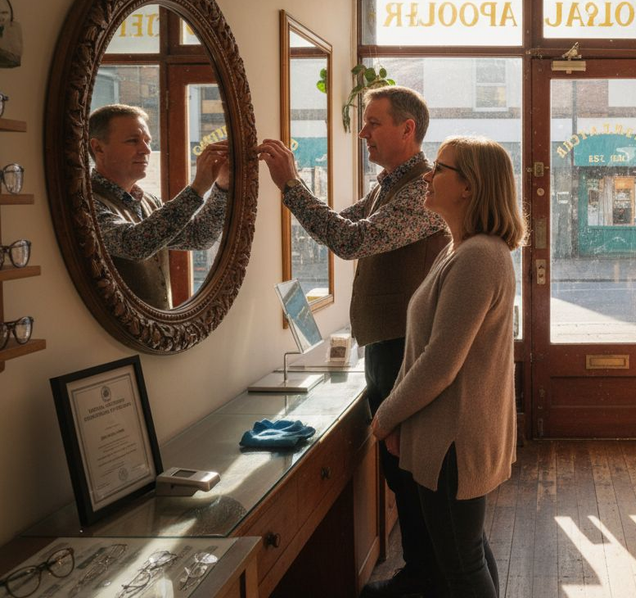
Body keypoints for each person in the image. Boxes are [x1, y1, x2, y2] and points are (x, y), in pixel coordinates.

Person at [256, 86, 449, 598]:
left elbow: (350, 240)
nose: (362, 132)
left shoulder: (421, 190)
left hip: (405, 348)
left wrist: (291, 185)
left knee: (408, 469)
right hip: (386, 344)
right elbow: (344, 223)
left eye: (373, 123)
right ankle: (425, 573)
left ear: (407, 129)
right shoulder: (391, 184)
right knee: (398, 467)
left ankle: (427, 578)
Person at [370, 136, 525, 598]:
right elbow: (419, 348)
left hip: (456, 438)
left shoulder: (479, 256)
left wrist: (386, 416)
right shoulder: (457, 249)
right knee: (466, 551)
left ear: (469, 187)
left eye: (440, 166)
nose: (427, 175)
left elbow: (439, 363)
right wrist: (399, 417)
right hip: (446, 433)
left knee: (460, 564)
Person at [89, 104, 230, 310]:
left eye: (147, 141)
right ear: (98, 147)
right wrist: (197, 187)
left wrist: (222, 186)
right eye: (133, 141)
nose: (146, 150)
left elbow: (200, 236)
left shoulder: (148, 201)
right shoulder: (88, 204)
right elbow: (135, 245)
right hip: (109, 337)